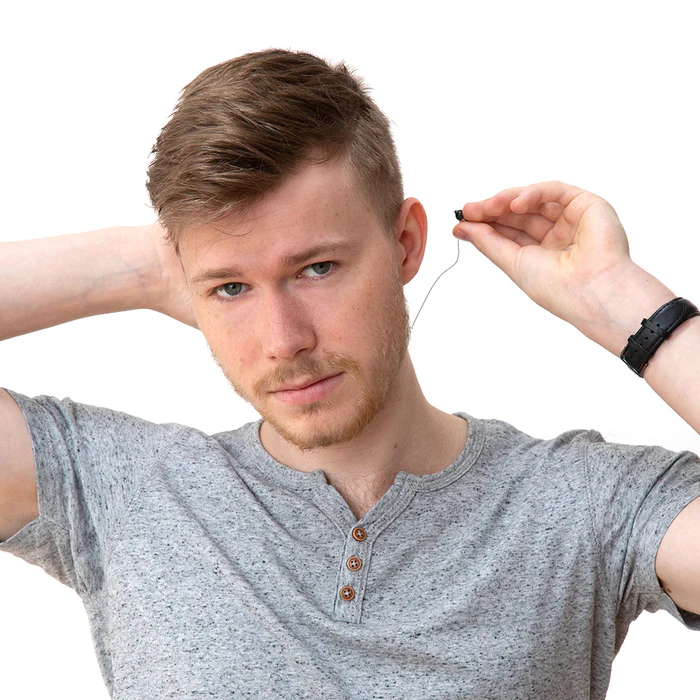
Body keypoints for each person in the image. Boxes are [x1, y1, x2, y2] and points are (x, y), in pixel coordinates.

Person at [1, 47, 699, 699]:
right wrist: (149, 266)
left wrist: (620, 301)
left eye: (316, 269)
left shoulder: (577, 507)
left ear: (405, 244)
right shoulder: (123, 489)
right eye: (231, 289)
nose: (284, 341)